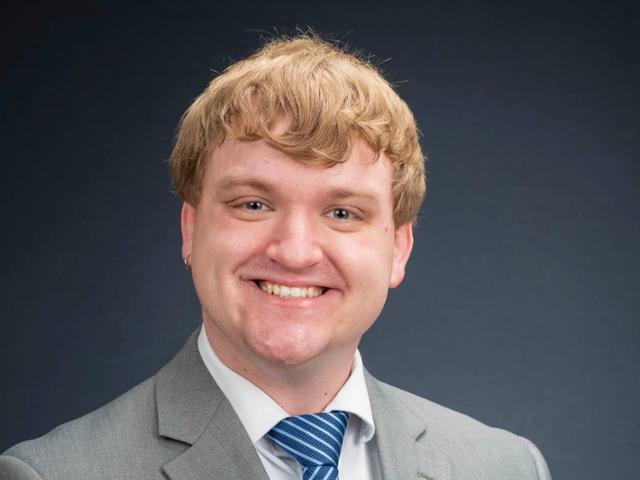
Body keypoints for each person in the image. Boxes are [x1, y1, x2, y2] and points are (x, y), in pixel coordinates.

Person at [0, 34, 551, 480]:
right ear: (191, 230)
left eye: (342, 213)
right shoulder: (51, 474)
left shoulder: (505, 467)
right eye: (254, 204)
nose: (293, 252)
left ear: (398, 249)